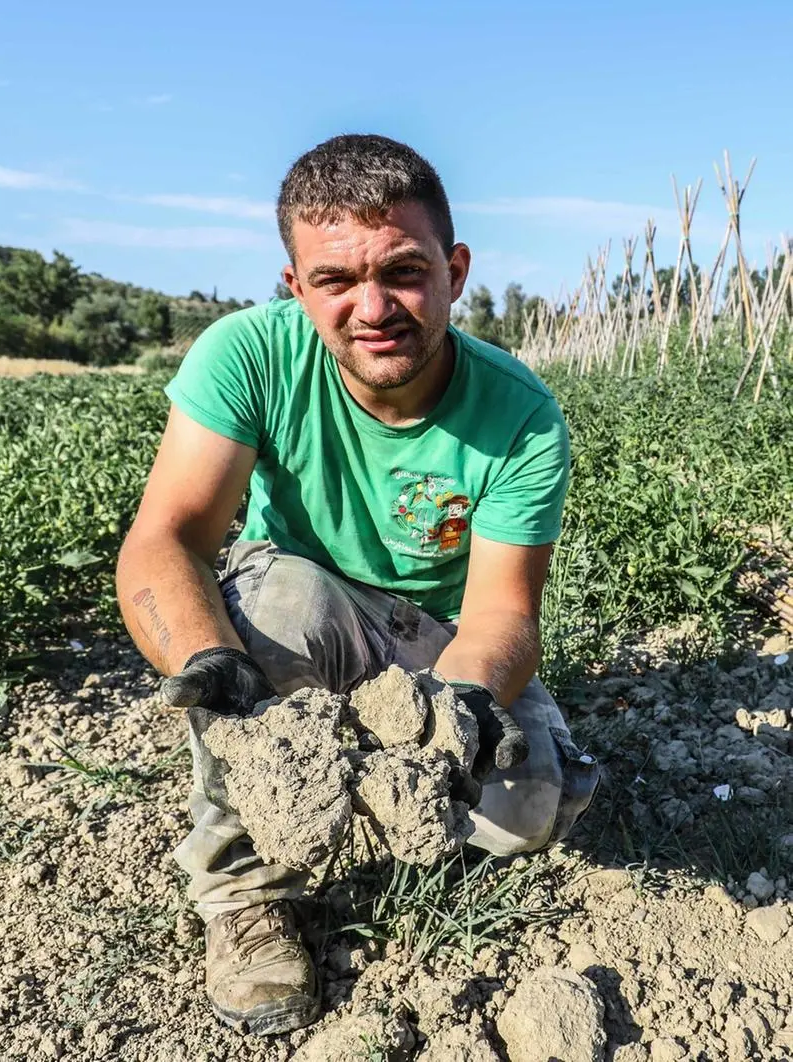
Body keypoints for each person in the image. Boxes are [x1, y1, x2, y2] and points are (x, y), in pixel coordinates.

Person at [115, 134, 599, 1038]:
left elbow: (502, 611)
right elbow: (165, 539)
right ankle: (242, 890)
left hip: (432, 632)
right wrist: (209, 661)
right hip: (300, 596)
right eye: (336, 279)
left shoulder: (519, 416)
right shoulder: (248, 357)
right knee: (275, 613)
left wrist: (457, 703)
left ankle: (366, 791)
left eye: (405, 271)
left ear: (454, 271)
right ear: (296, 286)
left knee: (530, 808)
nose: (372, 308)